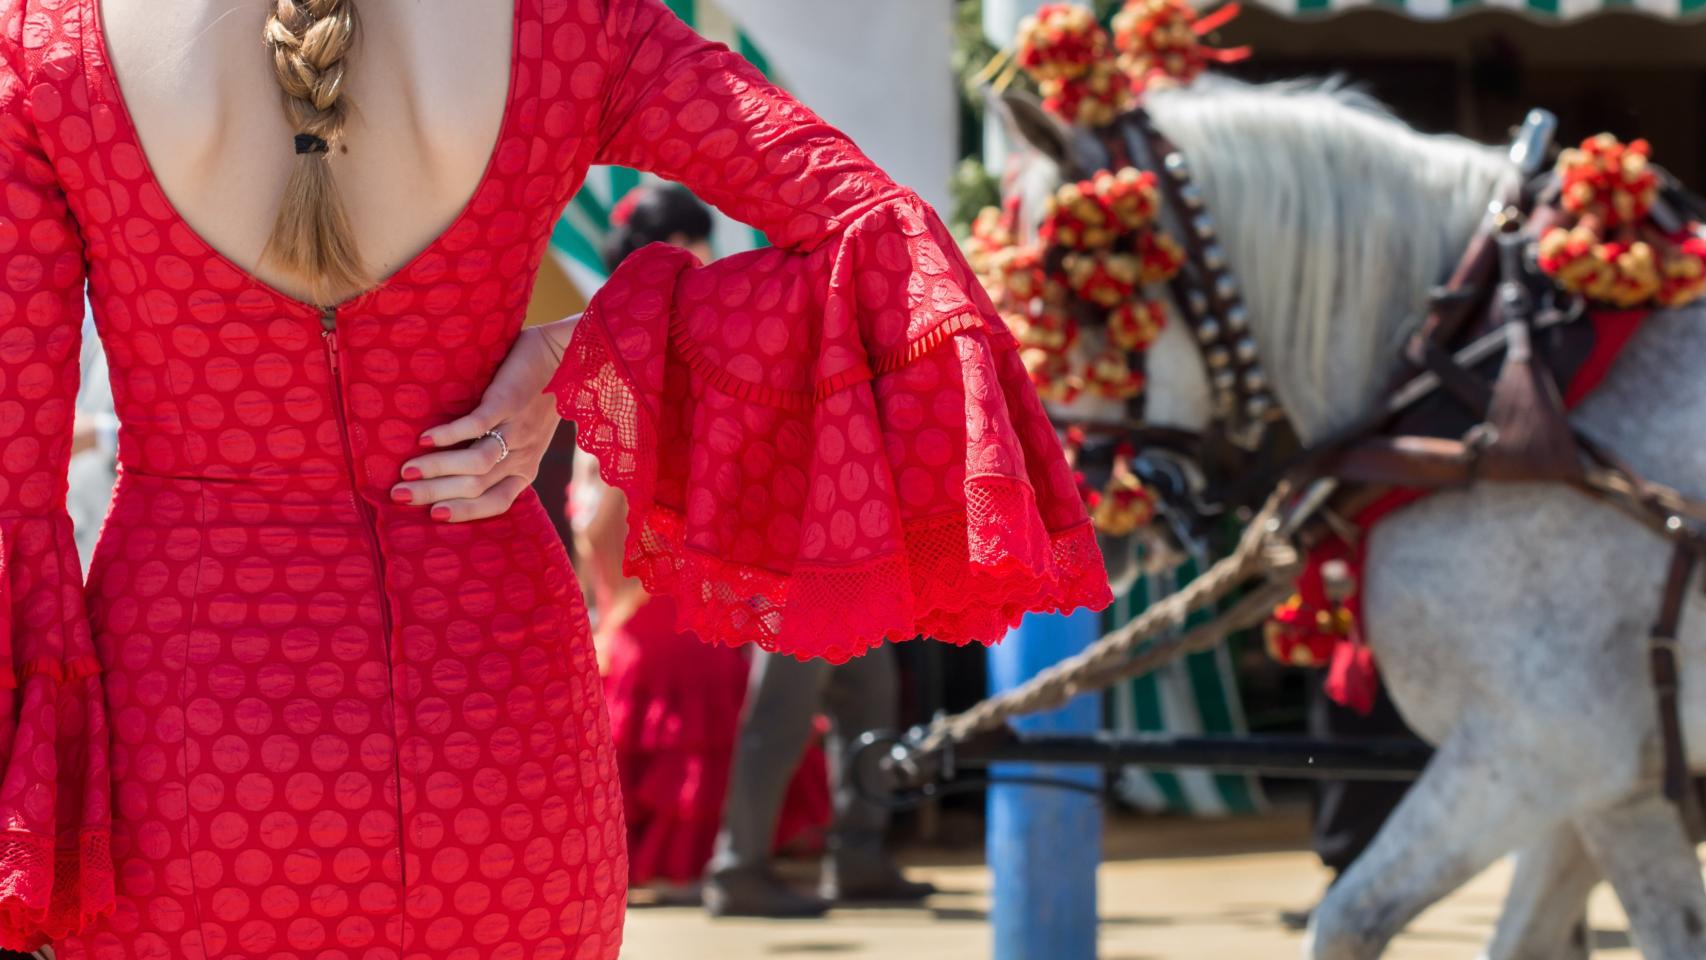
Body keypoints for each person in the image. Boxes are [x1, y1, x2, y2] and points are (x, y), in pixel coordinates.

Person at [1, 2, 1111, 958]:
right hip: (499, 736)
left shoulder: (51, 45)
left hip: (186, 744)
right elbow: (878, 232)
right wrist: (574, 353)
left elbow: (13, 477)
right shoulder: (564, 24)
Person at [575, 184, 830, 902]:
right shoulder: (691, 333)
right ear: (685, 250)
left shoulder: (615, 333)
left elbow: (595, 489)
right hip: (673, 556)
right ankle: (721, 860)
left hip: (627, 553)